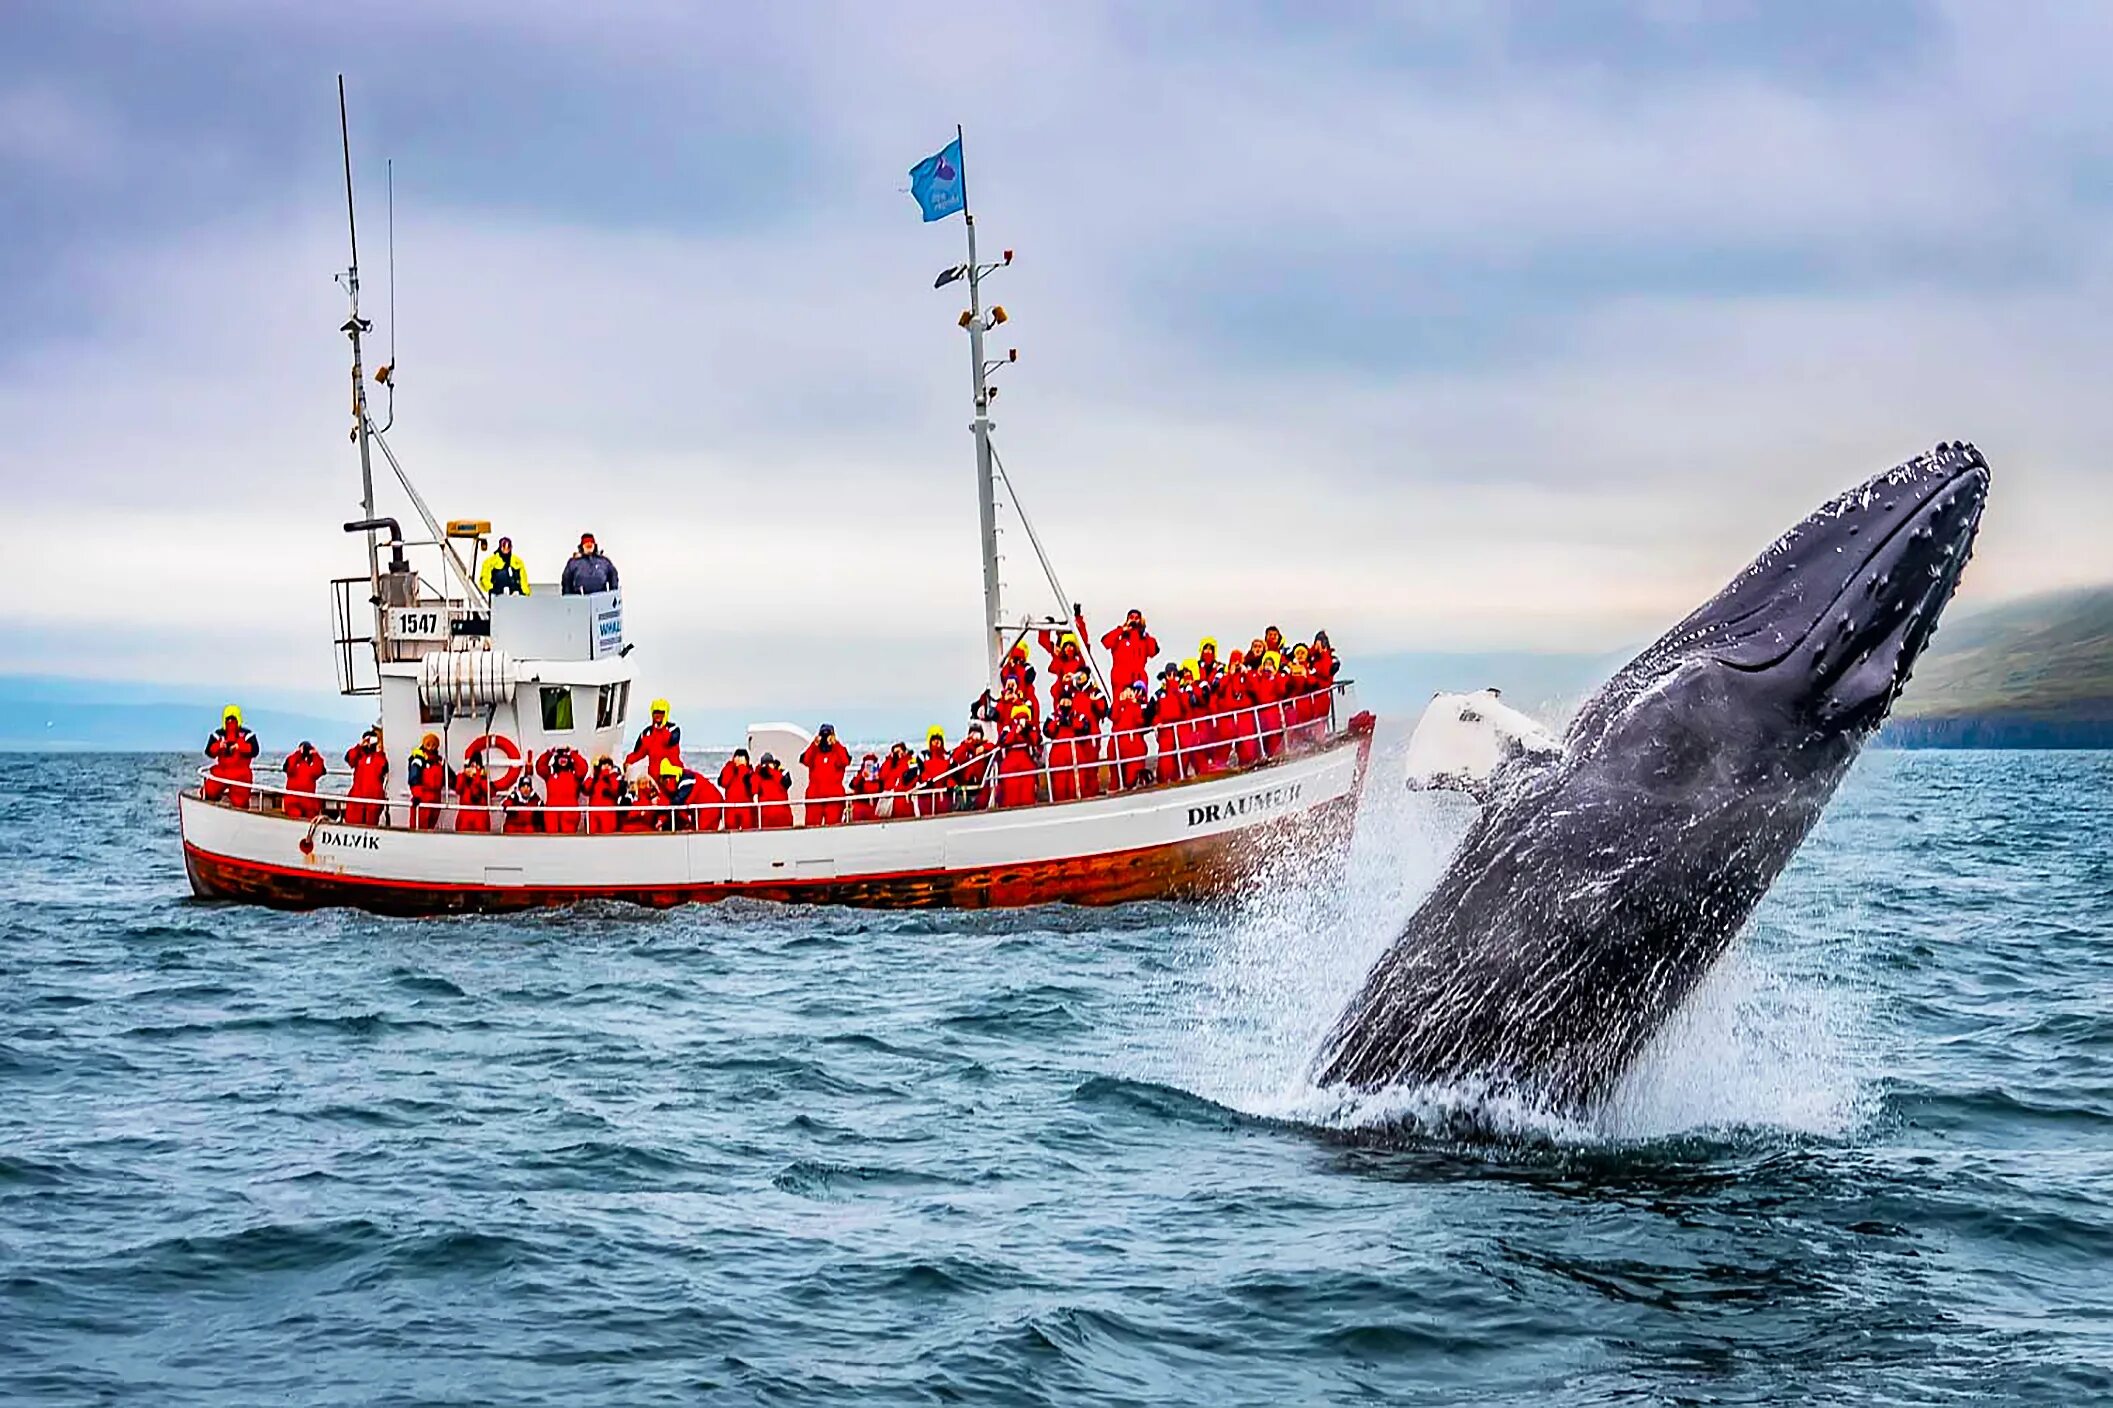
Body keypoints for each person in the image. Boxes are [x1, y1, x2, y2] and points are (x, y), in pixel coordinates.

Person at [202, 704, 260, 809]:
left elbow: (255, 750)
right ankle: (212, 811)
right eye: (228, 719)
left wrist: (240, 747)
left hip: (241, 774)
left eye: (233, 719)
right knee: (208, 792)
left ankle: (237, 818)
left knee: (240, 803)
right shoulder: (218, 735)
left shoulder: (247, 735)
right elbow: (209, 751)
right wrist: (219, 746)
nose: (230, 722)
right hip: (222, 772)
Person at [799, 724, 852, 827]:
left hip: (834, 797)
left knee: (833, 828)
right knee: (811, 827)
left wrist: (836, 744)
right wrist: (814, 744)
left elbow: (845, 761)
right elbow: (805, 760)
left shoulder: (838, 751)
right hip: (815, 797)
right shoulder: (814, 752)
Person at [1100, 609, 1160, 694]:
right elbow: (1105, 642)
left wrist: (1144, 631)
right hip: (1120, 678)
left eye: (1137, 618)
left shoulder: (1144, 639)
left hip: (1138, 678)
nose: (1134, 620)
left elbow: (1153, 652)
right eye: (1131, 617)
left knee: (1139, 704)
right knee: (1120, 704)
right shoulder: (1120, 636)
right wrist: (1121, 630)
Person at [994, 705, 1042, 809]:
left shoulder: (1031, 728)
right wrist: (1016, 730)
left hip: (1026, 763)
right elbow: (1004, 741)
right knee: (1010, 796)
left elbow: (1036, 741)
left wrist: (1027, 730)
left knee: (1027, 796)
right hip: (1010, 765)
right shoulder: (1008, 728)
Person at [657, 757, 722, 832]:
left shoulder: (687, 781)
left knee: (704, 832)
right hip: (703, 807)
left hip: (710, 805)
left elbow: (678, 801)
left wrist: (662, 811)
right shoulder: (684, 780)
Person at [537, 744, 589, 835]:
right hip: (552, 812)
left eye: (565, 758)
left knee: (568, 838)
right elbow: (540, 767)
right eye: (561, 758)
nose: (563, 760)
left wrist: (573, 753)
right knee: (552, 837)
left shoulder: (575, 773)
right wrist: (549, 753)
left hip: (570, 811)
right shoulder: (550, 773)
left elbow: (583, 768)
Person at [1149, 663, 1188, 785]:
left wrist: (1175, 690)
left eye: (1174, 674)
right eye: (1169, 674)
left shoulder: (1181, 691)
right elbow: (1151, 712)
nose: (1171, 677)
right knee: (1166, 761)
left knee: (1183, 757)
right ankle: (1164, 783)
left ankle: (1181, 779)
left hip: (1180, 727)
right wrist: (1156, 722)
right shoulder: (1158, 694)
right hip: (1165, 730)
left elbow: (1186, 707)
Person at [624, 700, 682, 779]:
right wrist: (628, 762)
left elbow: (670, 741)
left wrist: (662, 727)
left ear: (666, 713)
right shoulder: (647, 733)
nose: (658, 715)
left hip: (673, 774)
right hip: (654, 776)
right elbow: (638, 753)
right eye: (655, 712)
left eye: (661, 713)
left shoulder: (673, 729)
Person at [343, 729, 388, 827]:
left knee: (371, 826)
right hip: (357, 798)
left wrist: (379, 749)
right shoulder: (358, 756)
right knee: (352, 824)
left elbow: (384, 768)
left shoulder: (380, 757)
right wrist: (360, 746)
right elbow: (348, 758)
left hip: (373, 799)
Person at [1111, 680, 1150, 790]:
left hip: (1133, 741)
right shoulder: (1119, 706)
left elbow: (1140, 721)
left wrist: (1134, 704)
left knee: (1132, 774)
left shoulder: (1136, 706)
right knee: (1119, 771)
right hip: (1120, 743)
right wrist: (1119, 702)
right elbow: (1114, 717)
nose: (1128, 694)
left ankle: (1134, 783)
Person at [407, 732, 450, 831]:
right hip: (423, 797)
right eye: (428, 744)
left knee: (431, 827)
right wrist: (417, 795)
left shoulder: (439, 761)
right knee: (419, 826)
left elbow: (450, 778)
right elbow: (414, 777)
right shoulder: (418, 759)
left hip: (436, 799)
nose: (431, 747)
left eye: (433, 745)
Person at [947, 724, 994, 811]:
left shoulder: (985, 747)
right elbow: (955, 759)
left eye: (978, 734)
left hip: (980, 786)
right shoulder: (964, 748)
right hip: (965, 786)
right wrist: (966, 745)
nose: (975, 737)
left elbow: (993, 747)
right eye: (973, 734)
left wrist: (983, 747)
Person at [280, 740, 327, 819]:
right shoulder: (293, 763)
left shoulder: (313, 765)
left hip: (309, 801)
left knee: (311, 815)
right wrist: (297, 754)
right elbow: (289, 769)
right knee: (295, 815)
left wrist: (316, 756)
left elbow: (319, 771)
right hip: (293, 801)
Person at [753, 753, 794, 829]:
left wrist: (774, 771)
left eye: (769, 763)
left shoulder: (780, 773)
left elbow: (787, 783)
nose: (768, 766)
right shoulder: (758, 776)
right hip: (771, 818)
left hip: (779, 817)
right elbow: (754, 790)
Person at [586, 756, 626, 834]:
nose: (606, 766)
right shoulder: (595, 778)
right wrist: (593, 775)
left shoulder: (615, 777)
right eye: (604, 764)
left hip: (608, 811)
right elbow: (586, 789)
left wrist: (609, 779)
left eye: (609, 764)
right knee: (592, 834)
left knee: (608, 834)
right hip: (594, 810)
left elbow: (617, 790)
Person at [917, 727, 952, 817]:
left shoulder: (948, 756)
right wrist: (926, 780)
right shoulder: (923, 756)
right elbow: (921, 773)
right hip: (927, 793)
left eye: (938, 740)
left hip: (943, 794)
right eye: (934, 740)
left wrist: (951, 784)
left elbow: (951, 773)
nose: (936, 742)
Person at [719, 748, 757, 830]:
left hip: (746, 808)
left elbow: (753, 790)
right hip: (731, 808)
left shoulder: (749, 772)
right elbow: (723, 782)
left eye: (742, 757)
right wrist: (731, 766)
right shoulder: (729, 769)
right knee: (730, 830)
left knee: (748, 830)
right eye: (737, 757)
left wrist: (742, 768)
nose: (739, 760)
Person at [877, 742, 917, 819]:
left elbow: (911, 781)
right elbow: (882, 776)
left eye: (899, 751)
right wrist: (890, 760)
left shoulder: (911, 763)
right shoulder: (891, 765)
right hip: (891, 802)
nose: (898, 754)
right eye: (895, 753)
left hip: (905, 801)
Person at [453, 758, 494, 833]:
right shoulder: (462, 778)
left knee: (482, 840)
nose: (474, 769)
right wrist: (463, 775)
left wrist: (479, 778)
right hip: (465, 815)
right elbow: (458, 789)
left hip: (481, 816)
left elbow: (491, 793)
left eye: (477, 767)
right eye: (472, 766)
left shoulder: (485, 781)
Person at [848, 754, 885, 822]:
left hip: (874, 807)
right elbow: (852, 785)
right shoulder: (860, 776)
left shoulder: (879, 778)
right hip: (861, 806)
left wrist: (878, 778)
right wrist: (861, 776)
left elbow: (881, 789)